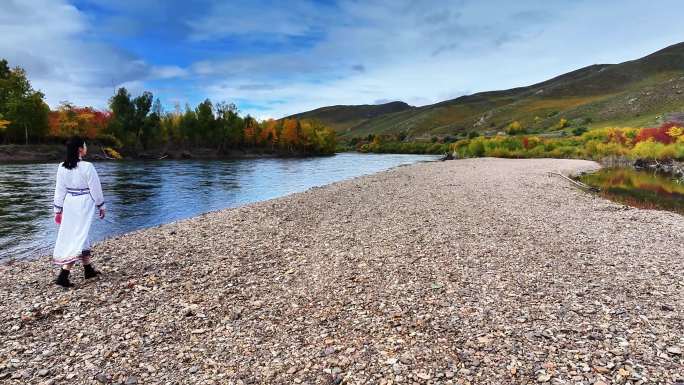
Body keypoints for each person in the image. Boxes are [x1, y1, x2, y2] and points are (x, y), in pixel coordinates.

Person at [52, 136, 106, 288]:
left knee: (81, 234)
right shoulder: (87, 167)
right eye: (85, 145)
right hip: (84, 203)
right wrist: (101, 205)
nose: (86, 147)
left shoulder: (62, 167)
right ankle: (63, 275)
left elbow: (59, 190)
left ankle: (88, 269)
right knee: (79, 236)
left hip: (69, 202)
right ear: (80, 149)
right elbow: (95, 188)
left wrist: (58, 209)